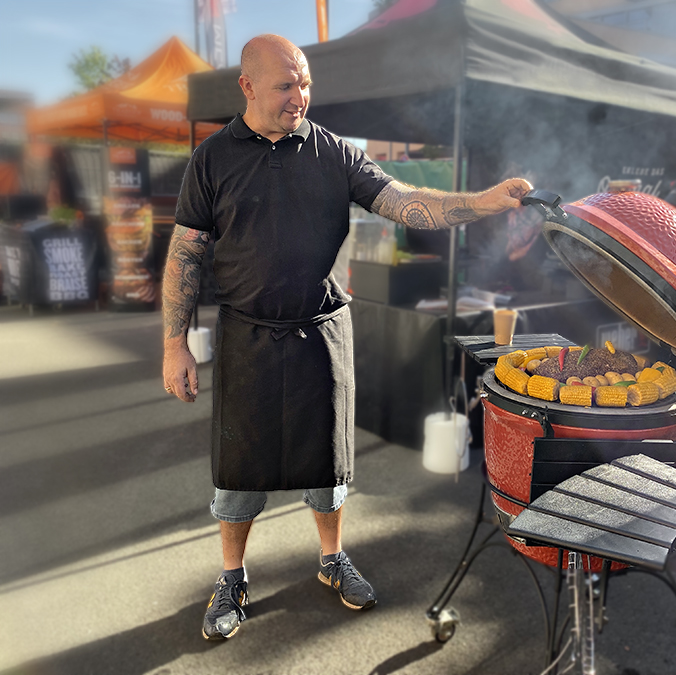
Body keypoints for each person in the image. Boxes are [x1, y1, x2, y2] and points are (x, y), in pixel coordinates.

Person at [161, 33, 533, 641]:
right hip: (247, 337)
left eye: (305, 82)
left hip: (320, 334)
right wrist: (175, 343)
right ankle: (232, 575)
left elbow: (408, 204)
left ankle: (332, 559)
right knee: (237, 475)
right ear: (247, 86)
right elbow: (186, 254)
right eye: (286, 85)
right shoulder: (212, 159)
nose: (300, 96)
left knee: (327, 468)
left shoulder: (335, 153)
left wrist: (485, 202)